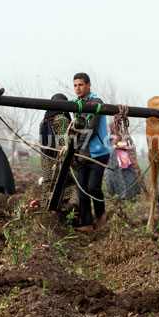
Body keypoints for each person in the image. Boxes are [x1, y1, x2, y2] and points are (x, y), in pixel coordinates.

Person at [63, 73, 110, 232]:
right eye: (75, 85)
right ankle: (87, 223)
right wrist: (68, 145)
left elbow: (91, 129)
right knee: (82, 189)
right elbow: (75, 128)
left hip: (98, 153)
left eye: (81, 85)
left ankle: (101, 215)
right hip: (82, 153)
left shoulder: (96, 103)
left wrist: (73, 147)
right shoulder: (76, 104)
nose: (78, 88)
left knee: (93, 187)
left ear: (89, 85)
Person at [39, 93, 79, 214]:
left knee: (48, 184)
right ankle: (70, 210)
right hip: (59, 160)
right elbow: (64, 144)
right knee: (74, 183)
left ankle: (47, 212)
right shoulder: (61, 119)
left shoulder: (43, 121)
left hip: (46, 160)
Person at [104, 121, 140, 200]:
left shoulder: (121, 135)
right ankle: (116, 194)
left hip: (122, 159)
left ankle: (128, 195)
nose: (108, 130)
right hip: (113, 161)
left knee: (126, 177)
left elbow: (124, 144)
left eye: (109, 128)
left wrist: (116, 145)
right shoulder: (109, 137)